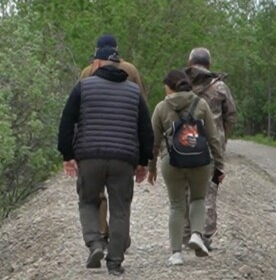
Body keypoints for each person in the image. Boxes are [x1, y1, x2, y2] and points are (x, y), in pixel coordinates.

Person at [58, 44, 154, 276]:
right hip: (124, 159)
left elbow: (67, 122)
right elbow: (145, 129)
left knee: (88, 201)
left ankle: (95, 243)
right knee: (121, 208)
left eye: (93, 61)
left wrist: (67, 155)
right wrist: (143, 161)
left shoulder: (83, 87)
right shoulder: (134, 92)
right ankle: (115, 261)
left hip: (90, 156)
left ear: (99, 63)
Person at [148, 68, 226, 266]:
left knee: (176, 205)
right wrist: (219, 165)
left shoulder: (161, 108)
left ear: (170, 87)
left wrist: (151, 167)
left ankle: (176, 254)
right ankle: (197, 235)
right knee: (198, 199)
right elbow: (213, 137)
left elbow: (153, 142)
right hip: (200, 160)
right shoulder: (201, 105)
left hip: (171, 160)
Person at [78, 34, 147, 247]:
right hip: (125, 139)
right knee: (121, 197)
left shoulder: (87, 72)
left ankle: (100, 233)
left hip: (92, 141)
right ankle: (121, 238)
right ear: (117, 49)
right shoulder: (131, 70)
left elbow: (77, 107)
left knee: (95, 194)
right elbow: (141, 106)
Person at [182, 47, 237, 251]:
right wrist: (222, 137)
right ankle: (203, 235)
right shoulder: (220, 87)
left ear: (190, 63)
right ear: (209, 64)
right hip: (211, 147)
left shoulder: (180, 84)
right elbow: (231, 116)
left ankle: (186, 233)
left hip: (185, 143)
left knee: (186, 188)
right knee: (208, 190)